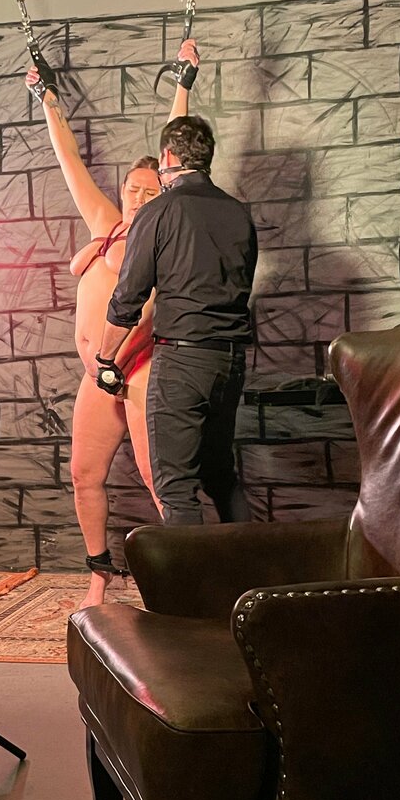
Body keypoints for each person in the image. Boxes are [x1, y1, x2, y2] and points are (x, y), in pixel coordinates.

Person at [25, 40, 200, 605]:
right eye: (132, 187)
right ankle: (100, 574)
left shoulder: (167, 229)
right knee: (84, 474)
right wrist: (47, 97)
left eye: (150, 189)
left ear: (166, 189)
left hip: (138, 366)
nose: (138, 195)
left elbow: (175, 142)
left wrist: (183, 84)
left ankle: (187, 581)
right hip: (96, 372)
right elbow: (69, 161)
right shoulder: (107, 221)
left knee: (159, 479)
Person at [94, 115, 258, 526]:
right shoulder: (238, 213)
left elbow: (129, 297)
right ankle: (253, 567)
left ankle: (192, 574)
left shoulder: (159, 211)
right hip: (231, 361)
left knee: (176, 487)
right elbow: (243, 283)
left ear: (167, 157)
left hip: (183, 361)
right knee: (220, 476)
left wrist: (104, 358)